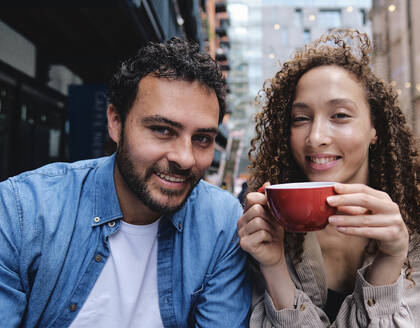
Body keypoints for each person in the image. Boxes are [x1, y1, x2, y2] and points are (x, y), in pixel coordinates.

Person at [237, 30, 420, 327]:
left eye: (340, 115)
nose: (316, 137)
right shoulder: (266, 220)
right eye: (301, 118)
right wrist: (274, 266)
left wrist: (391, 259)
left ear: (374, 128)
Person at [0, 38, 251, 327]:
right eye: (162, 130)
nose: (185, 158)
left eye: (202, 139)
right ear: (115, 122)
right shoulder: (22, 210)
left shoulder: (222, 223)